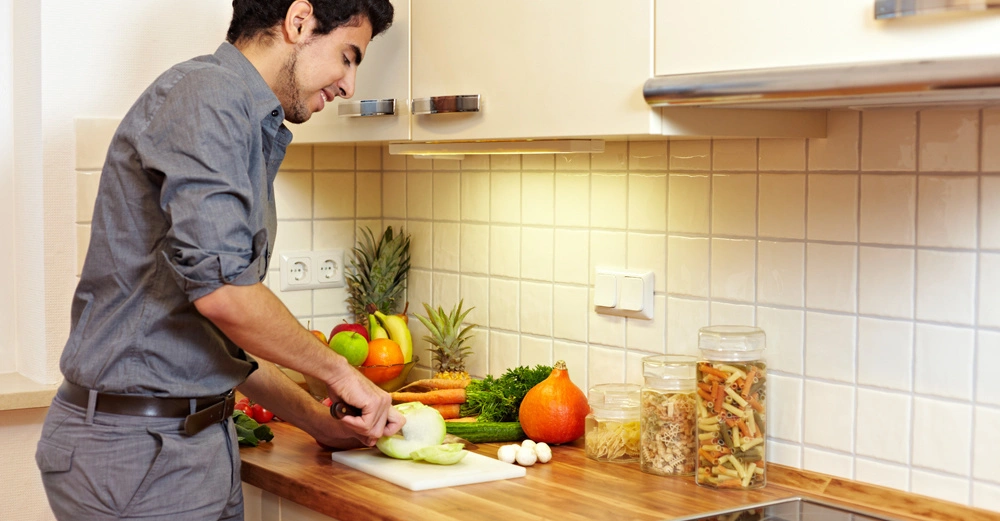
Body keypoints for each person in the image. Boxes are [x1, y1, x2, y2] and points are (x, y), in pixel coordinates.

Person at [35, 1, 401, 519]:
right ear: (298, 22)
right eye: (348, 56)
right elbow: (227, 296)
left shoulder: (245, 122)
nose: (349, 84)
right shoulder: (208, 97)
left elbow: (214, 341)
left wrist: (317, 421)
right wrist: (341, 373)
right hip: (140, 452)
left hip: (189, 444)